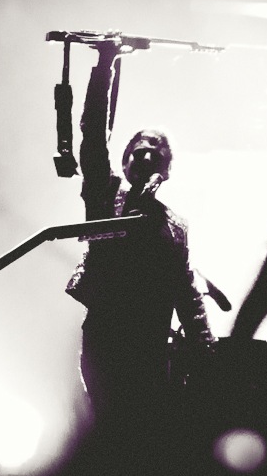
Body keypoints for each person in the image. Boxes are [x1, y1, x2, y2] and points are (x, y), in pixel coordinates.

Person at [64, 42, 213, 473]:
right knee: (111, 432)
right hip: (108, 339)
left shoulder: (175, 226)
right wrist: (105, 65)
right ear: (126, 162)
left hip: (150, 348)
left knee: (144, 443)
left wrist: (205, 348)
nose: (147, 154)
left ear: (167, 168)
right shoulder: (105, 194)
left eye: (156, 151)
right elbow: (94, 137)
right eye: (139, 150)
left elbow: (186, 291)